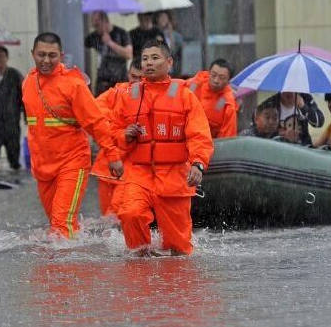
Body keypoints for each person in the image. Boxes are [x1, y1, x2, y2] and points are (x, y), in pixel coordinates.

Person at [111, 40, 213, 256]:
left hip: (175, 175)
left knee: (179, 248)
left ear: (169, 62)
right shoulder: (128, 96)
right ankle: (140, 268)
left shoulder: (185, 96)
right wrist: (125, 135)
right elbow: (113, 131)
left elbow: (199, 135)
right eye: (145, 59)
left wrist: (198, 163)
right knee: (130, 213)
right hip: (139, 173)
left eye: (155, 58)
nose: (148, 63)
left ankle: (177, 287)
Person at [23, 32, 124, 238]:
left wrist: (113, 156)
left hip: (72, 162)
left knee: (61, 225)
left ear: (61, 55)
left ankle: (66, 269)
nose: (46, 60)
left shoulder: (73, 84)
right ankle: (75, 266)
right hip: (43, 169)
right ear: (32, 54)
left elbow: (95, 122)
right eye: (41, 54)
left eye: (52, 55)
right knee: (57, 225)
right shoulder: (28, 83)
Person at [90, 59, 143, 216]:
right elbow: (94, 112)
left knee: (116, 214)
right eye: (134, 77)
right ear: (128, 74)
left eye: (141, 78)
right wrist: (117, 125)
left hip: (133, 169)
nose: (137, 82)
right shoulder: (117, 92)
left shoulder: (153, 100)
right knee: (107, 219)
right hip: (107, 166)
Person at [186, 58, 239, 138]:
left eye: (222, 78)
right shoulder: (194, 83)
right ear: (209, 72)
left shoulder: (228, 104)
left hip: (207, 144)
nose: (216, 80)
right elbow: (173, 95)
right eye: (213, 75)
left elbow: (227, 138)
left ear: (228, 81)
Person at [84, 11, 133, 96]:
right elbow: (82, 44)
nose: (96, 29)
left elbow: (128, 54)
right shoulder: (95, 36)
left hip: (120, 81)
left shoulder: (121, 33)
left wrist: (110, 43)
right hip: (103, 82)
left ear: (105, 20)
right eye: (94, 26)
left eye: (98, 25)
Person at [259, 92, 324, 145]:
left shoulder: (305, 97)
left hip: (304, 149)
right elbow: (257, 131)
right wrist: (280, 134)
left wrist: (303, 107)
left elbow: (319, 123)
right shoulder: (271, 103)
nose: (290, 92)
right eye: (286, 89)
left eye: (294, 89)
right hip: (278, 149)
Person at [155, 10, 184, 77]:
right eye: (160, 17)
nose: (162, 20)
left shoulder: (176, 36)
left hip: (173, 69)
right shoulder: (155, 34)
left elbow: (176, 52)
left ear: (168, 19)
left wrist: (171, 37)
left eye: (164, 17)